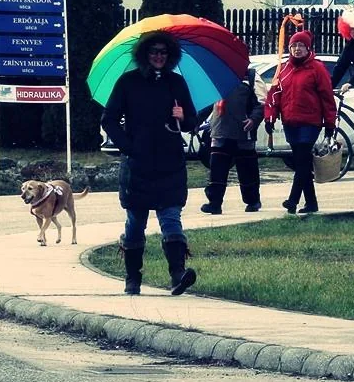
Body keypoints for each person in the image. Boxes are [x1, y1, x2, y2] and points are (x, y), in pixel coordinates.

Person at [101, 30, 200, 296]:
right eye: (154, 52)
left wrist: (184, 116)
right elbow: (108, 119)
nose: (158, 56)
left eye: (163, 52)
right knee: (135, 222)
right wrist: (129, 146)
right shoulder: (128, 82)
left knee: (171, 217)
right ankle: (132, 278)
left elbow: (192, 120)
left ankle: (178, 274)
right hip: (138, 165)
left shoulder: (176, 83)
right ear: (145, 54)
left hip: (170, 162)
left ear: (170, 56)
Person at [264, 29, 336, 216]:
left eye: (301, 46)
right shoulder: (285, 70)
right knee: (300, 163)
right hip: (290, 122)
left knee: (302, 161)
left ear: (308, 48)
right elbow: (274, 96)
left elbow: (327, 98)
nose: (297, 49)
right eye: (294, 46)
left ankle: (293, 200)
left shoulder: (317, 69)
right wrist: (270, 117)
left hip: (310, 122)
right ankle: (311, 203)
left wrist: (330, 123)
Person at [199, 68, 262, 215]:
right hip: (220, 130)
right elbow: (209, 101)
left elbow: (261, 102)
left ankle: (252, 201)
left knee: (247, 169)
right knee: (217, 170)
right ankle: (214, 203)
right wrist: (195, 121)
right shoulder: (217, 74)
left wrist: (254, 119)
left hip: (243, 132)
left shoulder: (251, 76)